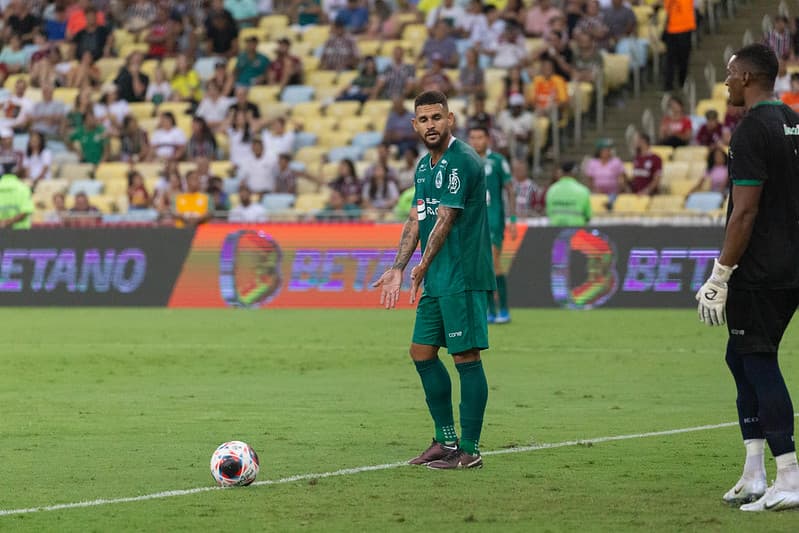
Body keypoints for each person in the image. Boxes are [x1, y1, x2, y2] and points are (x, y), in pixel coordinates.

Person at [695, 43, 799, 512]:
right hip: (790, 262)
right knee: (739, 358)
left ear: (747, 77)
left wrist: (721, 274)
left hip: (760, 270)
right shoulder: (793, 122)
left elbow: (744, 212)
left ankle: (790, 474)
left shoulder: (752, 130)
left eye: (730, 73)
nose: (726, 81)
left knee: (757, 359)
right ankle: (755, 472)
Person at [373, 90, 493, 470]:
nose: (430, 125)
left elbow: (446, 218)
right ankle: (444, 440)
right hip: (437, 277)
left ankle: (470, 449)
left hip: (462, 274)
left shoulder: (462, 162)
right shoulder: (425, 167)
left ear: (450, 119)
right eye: (423, 120)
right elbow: (415, 219)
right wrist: (397, 266)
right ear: (414, 125)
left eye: (436, 118)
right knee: (421, 353)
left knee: (465, 357)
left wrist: (420, 266)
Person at [468, 125, 516, 324]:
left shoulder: (497, 161)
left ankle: (503, 309)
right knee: (481, 267)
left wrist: (512, 220)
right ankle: (490, 310)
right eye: (472, 137)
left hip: (493, 220)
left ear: (487, 139)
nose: (476, 141)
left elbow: (510, 190)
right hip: (473, 222)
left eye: (480, 137)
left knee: (493, 263)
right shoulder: (465, 161)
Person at [662, 0, 695, 91]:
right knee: (670, 59)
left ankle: (682, 82)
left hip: (685, 27)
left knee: (683, 58)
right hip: (672, 29)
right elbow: (667, 7)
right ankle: (668, 85)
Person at [545, 161, 591, 226]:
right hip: (577, 230)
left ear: (562, 172)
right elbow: (588, 215)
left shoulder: (552, 189)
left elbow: (549, 213)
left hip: (555, 230)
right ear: (574, 173)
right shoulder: (583, 190)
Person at [0, 161, 33, 229]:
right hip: (20, 233)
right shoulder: (23, 188)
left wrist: (3, 223)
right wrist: (7, 222)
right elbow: (25, 211)